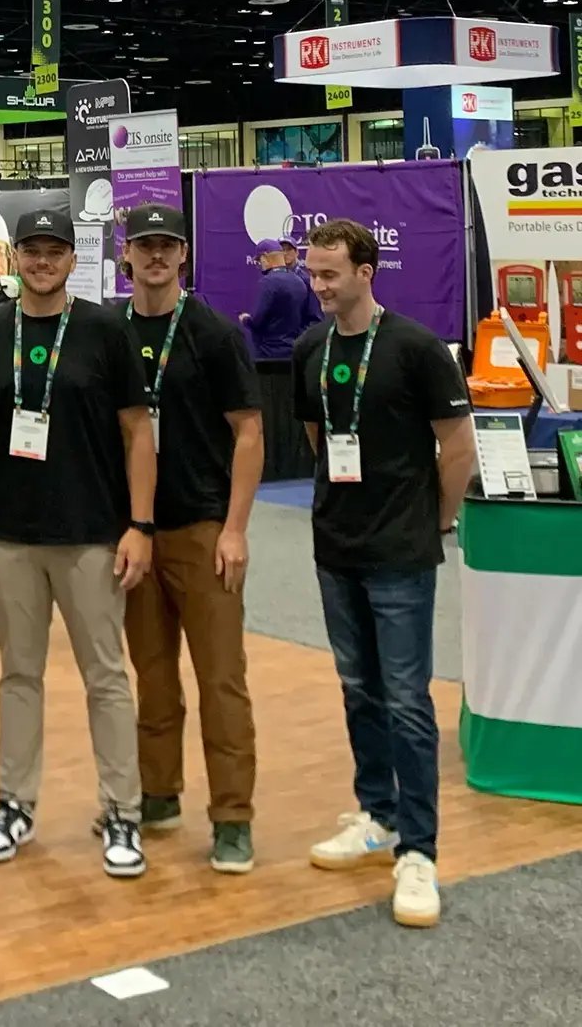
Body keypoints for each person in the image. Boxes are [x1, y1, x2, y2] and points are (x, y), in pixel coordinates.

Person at [0, 209, 157, 879]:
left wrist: (140, 525)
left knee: (106, 676)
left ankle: (122, 810)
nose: (43, 262)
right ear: (15, 257)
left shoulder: (105, 330)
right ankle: (14, 803)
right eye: (32, 251)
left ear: (73, 259)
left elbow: (137, 432)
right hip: (11, 534)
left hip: (92, 535)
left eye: (55, 251)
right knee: (19, 675)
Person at [292, 218, 475, 930]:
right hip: (335, 546)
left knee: (406, 698)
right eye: (313, 272)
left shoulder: (417, 349)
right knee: (358, 687)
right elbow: (317, 436)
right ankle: (376, 813)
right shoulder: (311, 347)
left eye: (331, 273)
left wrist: (436, 521)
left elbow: (455, 447)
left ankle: (419, 851)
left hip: (402, 551)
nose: (319, 284)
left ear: (367, 271)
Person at [117, 204, 264, 874]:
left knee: (220, 680)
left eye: (166, 246)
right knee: (151, 676)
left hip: (203, 530)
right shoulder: (107, 331)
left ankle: (233, 818)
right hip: (137, 532)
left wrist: (235, 528)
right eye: (144, 245)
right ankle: (158, 795)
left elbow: (250, 433)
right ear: (127, 254)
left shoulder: (211, 333)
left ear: (183, 257)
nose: (155, 256)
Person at [242, 239, 317, 357]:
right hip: (293, 350)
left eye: (259, 260)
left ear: (264, 258)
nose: (259, 264)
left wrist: (246, 320)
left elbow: (257, 320)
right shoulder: (299, 281)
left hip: (269, 352)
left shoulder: (268, 282)